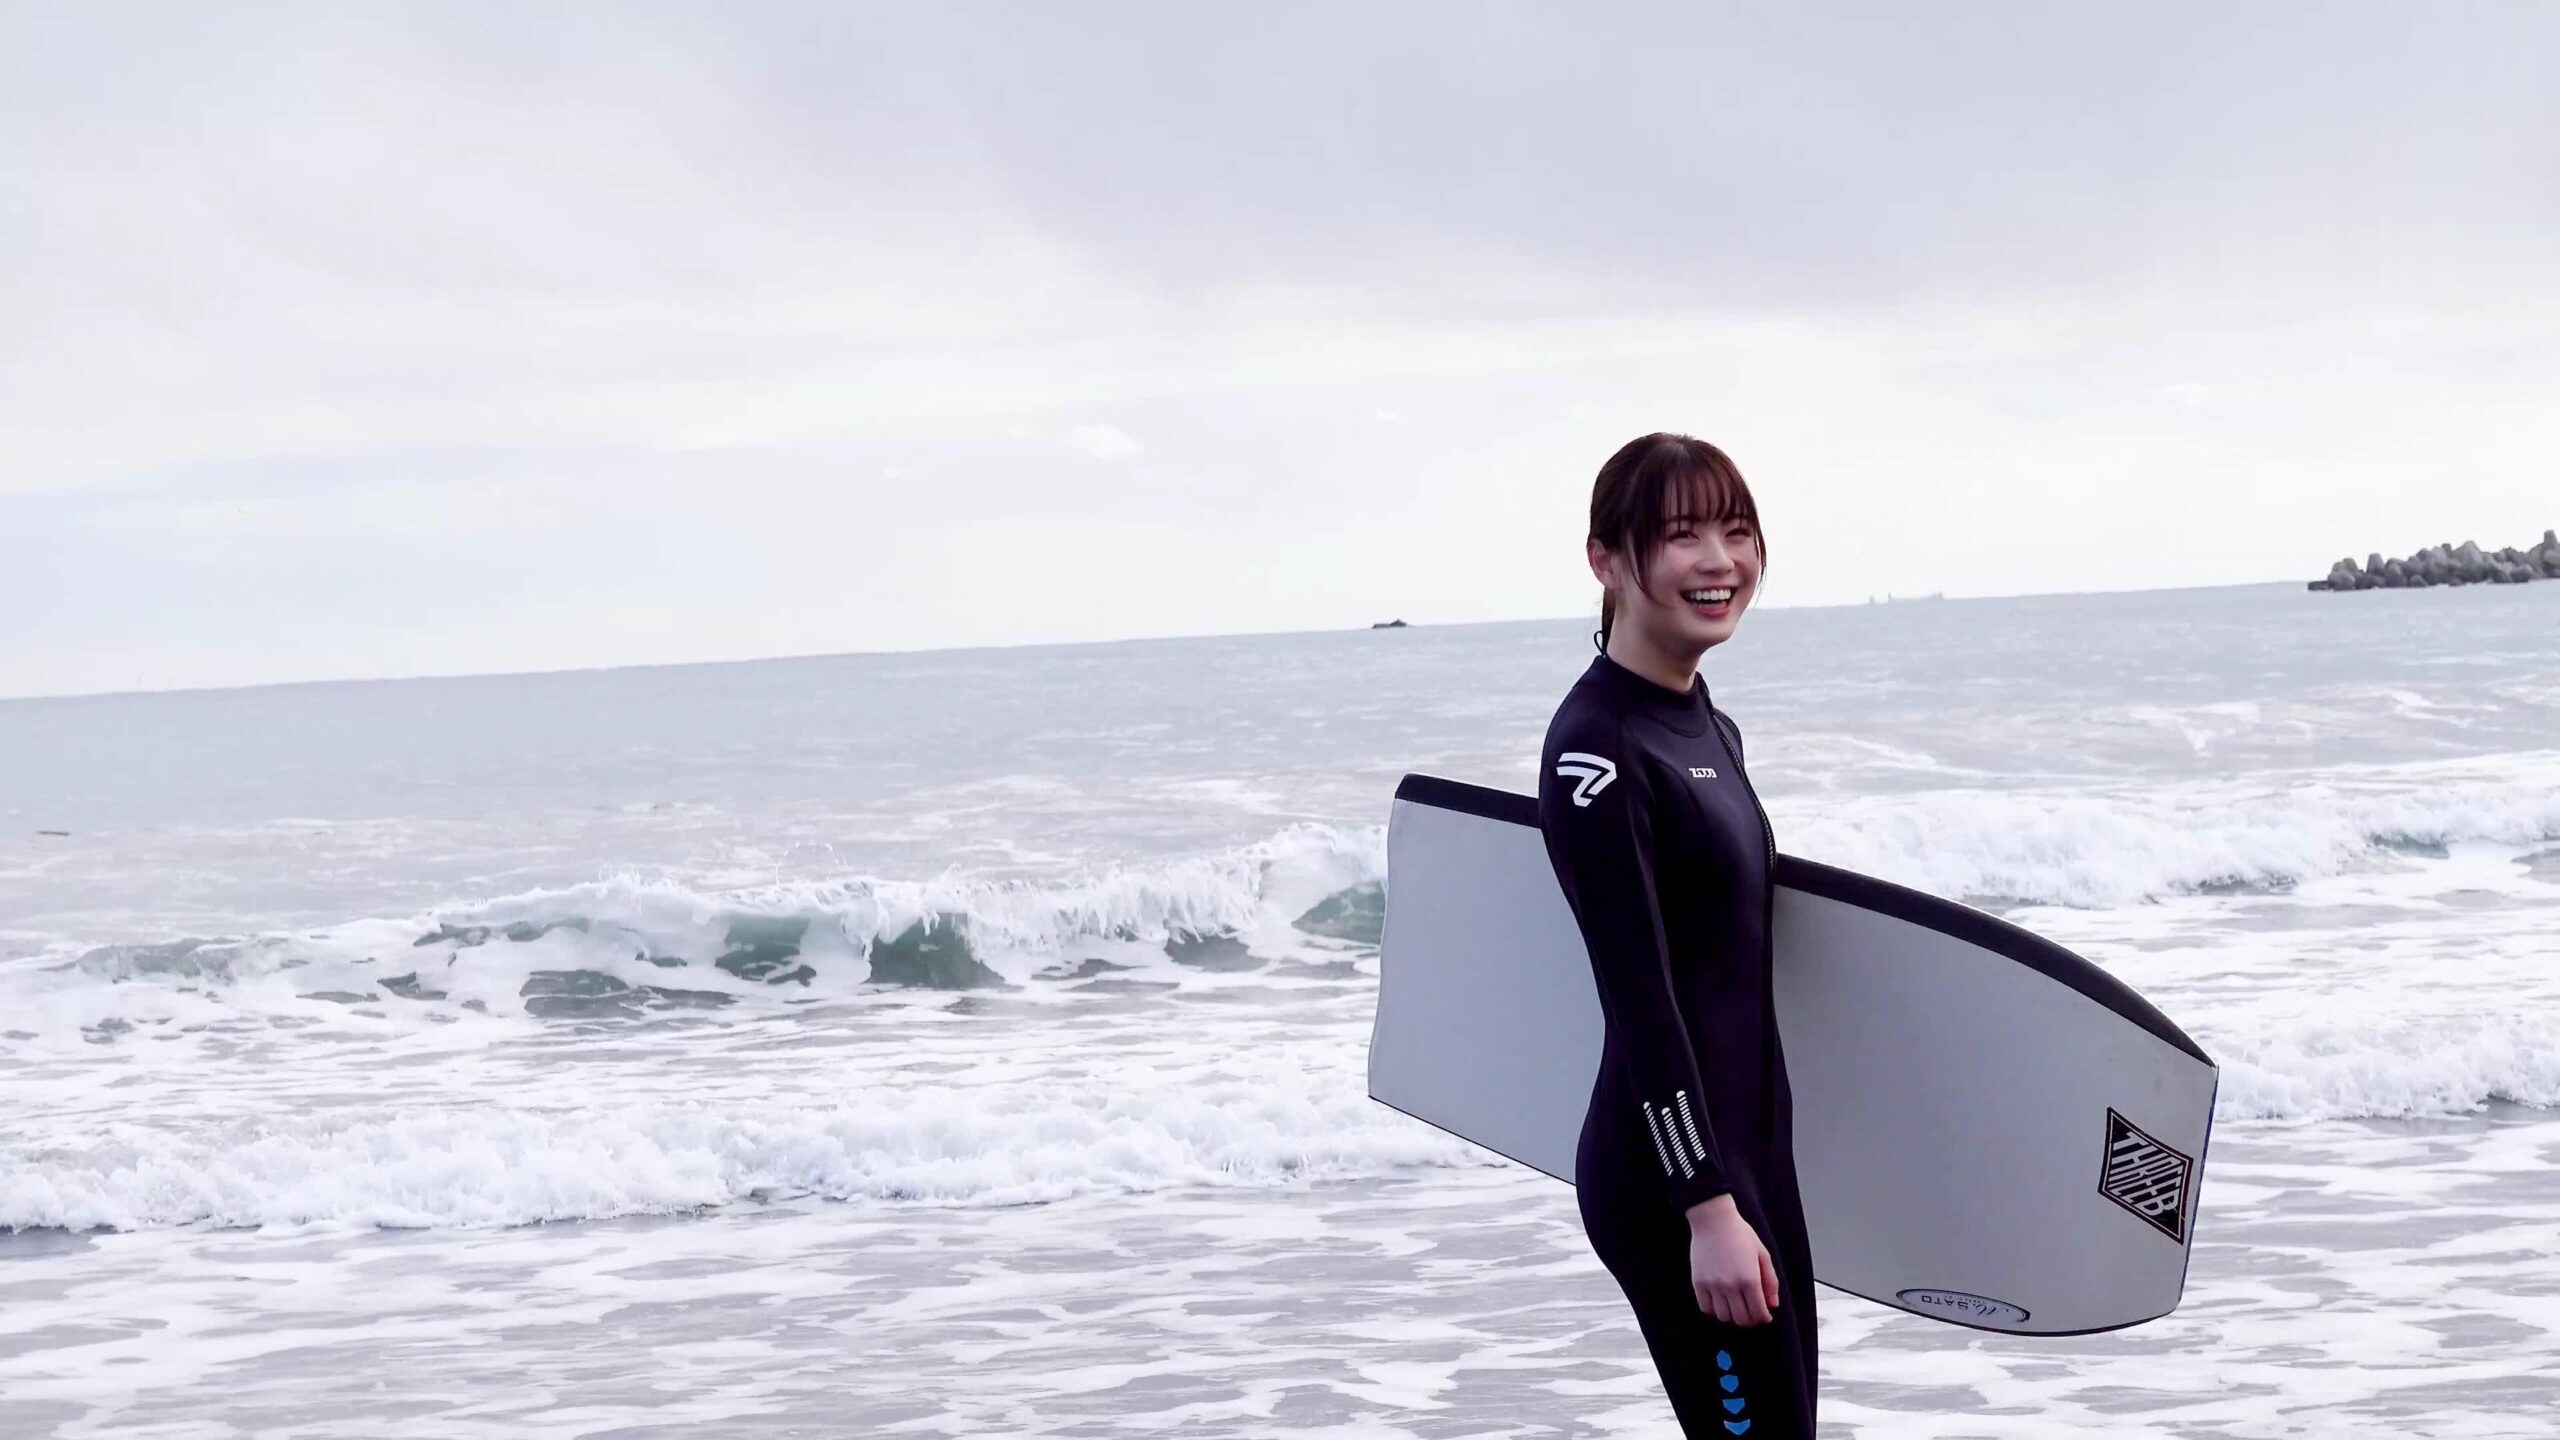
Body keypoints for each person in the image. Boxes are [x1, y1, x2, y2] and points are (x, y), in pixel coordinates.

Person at [1537, 433, 1815, 1437]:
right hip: (1674, 1184)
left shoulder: (1708, 727)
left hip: (1751, 1164)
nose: (1720, 561)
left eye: (1737, 532)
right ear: (1607, 560)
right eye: (1683, 535)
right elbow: (1641, 999)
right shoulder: (1596, 752)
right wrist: (1704, 1207)